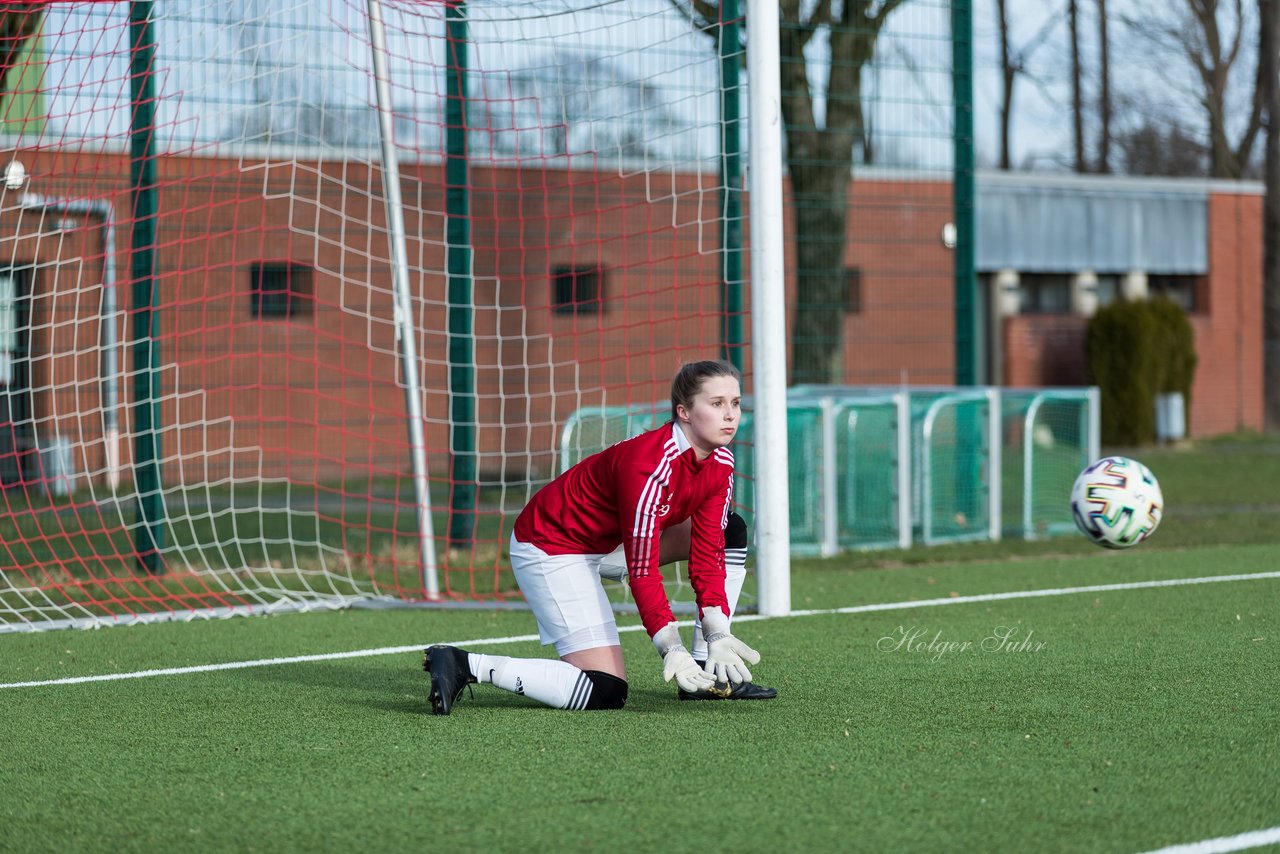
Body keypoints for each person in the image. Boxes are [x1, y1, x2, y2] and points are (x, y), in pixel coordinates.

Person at [423, 359, 770, 713]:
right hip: (552, 546)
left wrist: (716, 632)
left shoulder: (720, 462)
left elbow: (708, 552)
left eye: (735, 403)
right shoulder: (650, 467)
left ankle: (704, 673)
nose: (730, 415)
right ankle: (463, 664)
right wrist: (671, 649)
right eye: (716, 404)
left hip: (611, 542)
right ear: (684, 411)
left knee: (730, 530)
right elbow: (643, 571)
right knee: (605, 691)